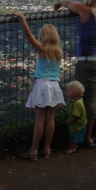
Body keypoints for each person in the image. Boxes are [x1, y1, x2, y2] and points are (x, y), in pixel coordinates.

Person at [54, 0, 96, 147]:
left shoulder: (84, 10)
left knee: (88, 99)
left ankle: (87, 137)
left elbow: (68, 3)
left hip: (89, 61)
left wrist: (58, 3)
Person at [13, 10, 65, 160]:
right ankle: (47, 149)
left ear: (44, 37)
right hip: (54, 86)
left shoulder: (43, 50)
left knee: (40, 119)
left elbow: (28, 35)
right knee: (51, 119)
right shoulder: (58, 52)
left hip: (42, 86)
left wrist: (22, 17)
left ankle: (34, 150)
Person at [63, 80, 88, 154]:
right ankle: (76, 145)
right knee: (76, 136)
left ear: (75, 94)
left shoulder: (77, 103)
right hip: (80, 124)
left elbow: (76, 115)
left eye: (69, 91)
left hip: (77, 125)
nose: (67, 92)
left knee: (74, 136)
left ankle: (73, 147)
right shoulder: (76, 100)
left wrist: (69, 121)